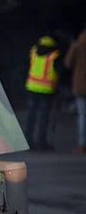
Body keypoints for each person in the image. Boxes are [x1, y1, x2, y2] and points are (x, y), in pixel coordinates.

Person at [23, 35, 60, 151]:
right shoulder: (54, 55)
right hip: (47, 90)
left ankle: (28, 141)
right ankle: (42, 143)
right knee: (44, 117)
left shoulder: (34, 51)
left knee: (31, 117)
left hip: (32, 87)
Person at [63, 26, 86, 154]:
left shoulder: (77, 45)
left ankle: (82, 144)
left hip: (81, 85)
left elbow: (67, 63)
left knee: (82, 116)